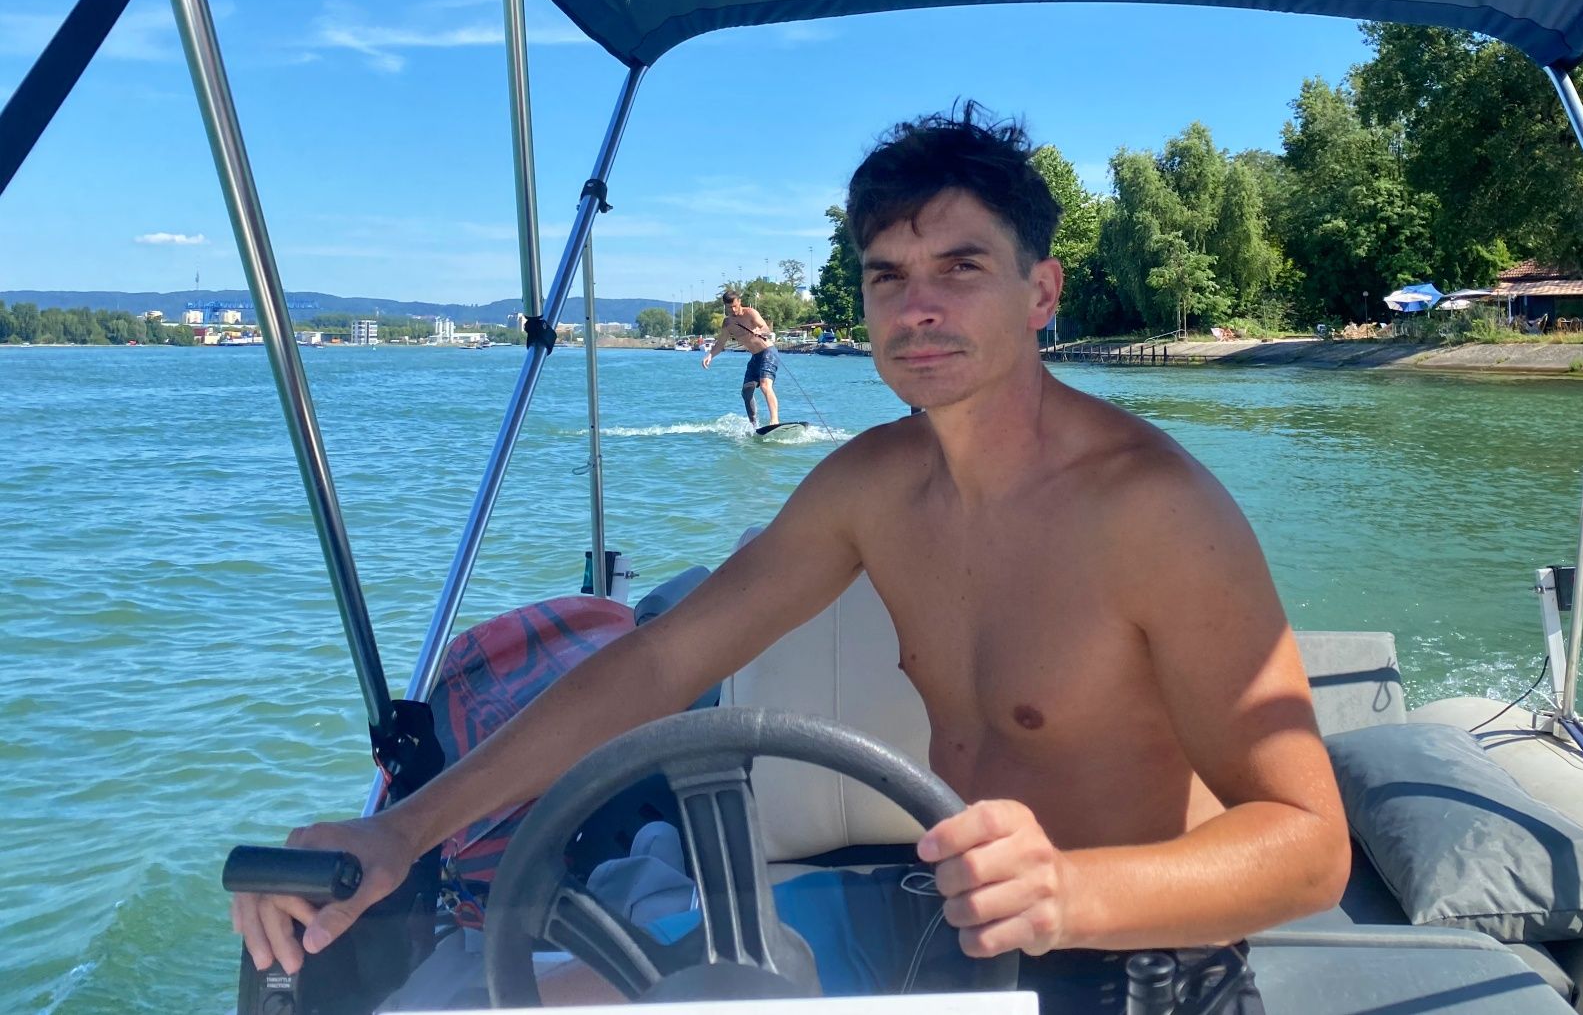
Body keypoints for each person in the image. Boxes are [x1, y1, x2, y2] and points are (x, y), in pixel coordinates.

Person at [233, 104, 1348, 1012]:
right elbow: (662, 663)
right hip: (959, 934)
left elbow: (1308, 850)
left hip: (1139, 967)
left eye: (960, 267)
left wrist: (1069, 891)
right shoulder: (872, 483)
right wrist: (402, 829)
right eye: (885, 277)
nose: (917, 308)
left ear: (1040, 292)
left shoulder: (1154, 513)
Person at [704, 289, 781, 427]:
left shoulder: (750, 313)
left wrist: (759, 330)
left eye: (734, 305)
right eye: (729, 307)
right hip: (755, 357)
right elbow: (720, 343)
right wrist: (710, 355)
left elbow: (766, 328)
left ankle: (774, 420)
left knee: (765, 385)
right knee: (746, 391)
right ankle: (754, 426)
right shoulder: (727, 323)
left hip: (768, 352)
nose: (733, 309)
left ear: (739, 302)